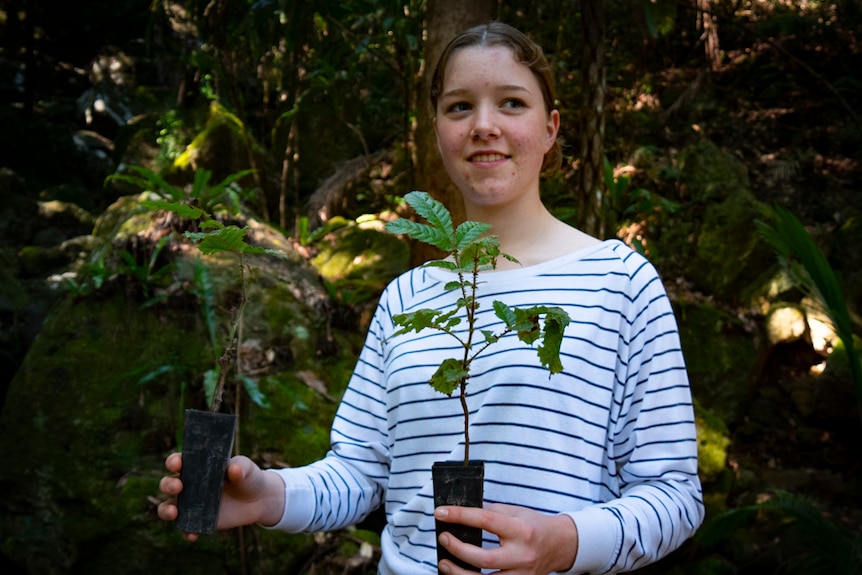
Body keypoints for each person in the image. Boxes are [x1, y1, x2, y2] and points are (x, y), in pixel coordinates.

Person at [159, 21, 704, 574]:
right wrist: (269, 496)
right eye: (459, 107)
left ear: (550, 128)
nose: (484, 126)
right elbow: (360, 474)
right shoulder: (407, 297)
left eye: (512, 103)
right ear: (437, 129)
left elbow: (674, 493)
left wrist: (566, 541)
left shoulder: (619, 281)